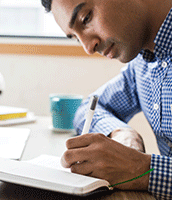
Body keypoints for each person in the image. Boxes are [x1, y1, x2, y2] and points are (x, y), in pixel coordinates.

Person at [41, 0, 172, 199]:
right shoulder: (142, 65)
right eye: (76, 38)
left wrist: (141, 169)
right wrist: (122, 133)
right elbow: (90, 106)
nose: (88, 47)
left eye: (86, 19)